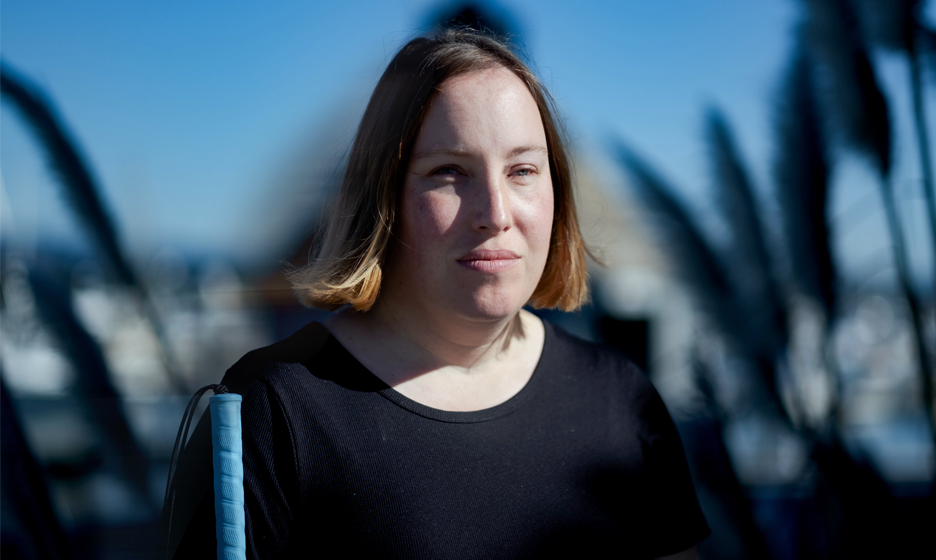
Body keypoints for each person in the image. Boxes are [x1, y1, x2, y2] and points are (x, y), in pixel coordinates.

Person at [167, 28, 709, 559]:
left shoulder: (620, 401)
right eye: (449, 172)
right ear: (385, 198)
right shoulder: (272, 411)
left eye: (522, 170)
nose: (495, 214)